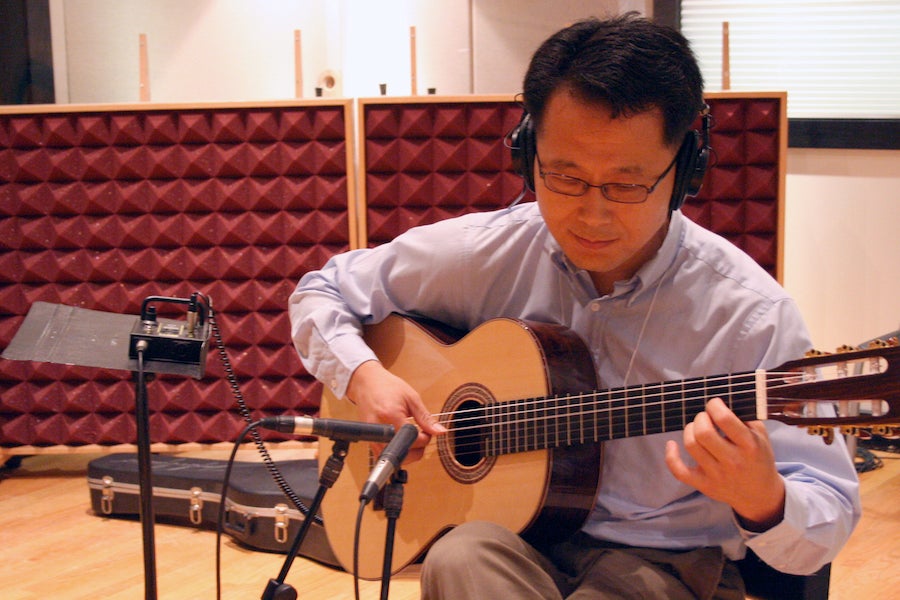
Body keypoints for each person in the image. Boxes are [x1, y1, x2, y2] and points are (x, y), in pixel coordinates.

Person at [289, 13, 860, 599]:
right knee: (461, 555)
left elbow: (829, 517)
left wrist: (763, 499)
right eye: (563, 177)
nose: (591, 214)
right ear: (525, 152)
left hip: (665, 562)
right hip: (522, 537)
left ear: (686, 169)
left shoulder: (751, 315)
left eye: (626, 184)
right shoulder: (488, 251)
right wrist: (365, 377)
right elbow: (322, 290)